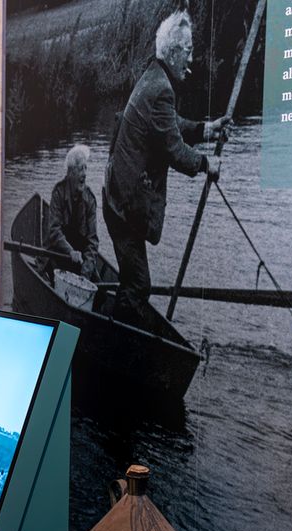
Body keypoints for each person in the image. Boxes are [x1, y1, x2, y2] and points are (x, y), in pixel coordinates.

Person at [103, 9, 229, 329]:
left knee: (134, 284)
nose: (192, 57)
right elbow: (174, 151)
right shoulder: (161, 88)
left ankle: (115, 331)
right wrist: (206, 163)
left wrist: (206, 129)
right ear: (172, 52)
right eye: (187, 50)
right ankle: (112, 340)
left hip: (119, 197)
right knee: (139, 286)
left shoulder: (154, 76)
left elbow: (169, 126)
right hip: (124, 206)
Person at [41, 144, 99, 283]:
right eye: (80, 169)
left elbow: (93, 241)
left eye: (86, 168)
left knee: (99, 293)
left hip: (78, 258)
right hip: (57, 253)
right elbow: (54, 231)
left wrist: (85, 276)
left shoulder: (90, 199)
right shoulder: (59, 193)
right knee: (50, 278)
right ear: (70, 172)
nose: (84, 174)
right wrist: (70, 251)